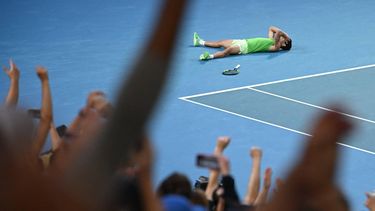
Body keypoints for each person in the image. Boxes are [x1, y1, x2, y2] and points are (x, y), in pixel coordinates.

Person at [193, 26, 292, 61]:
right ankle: (200, 42)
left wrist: (286, 36)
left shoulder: (275, 47)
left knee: (227, 51)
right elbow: (271, 28)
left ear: (283, 44)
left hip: (245, 48)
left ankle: (209, 57)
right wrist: (285, 37)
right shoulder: (271, 40)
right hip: (243, 41)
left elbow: (278, 32)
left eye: (284, 39)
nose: (283, 38)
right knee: (220, 42)